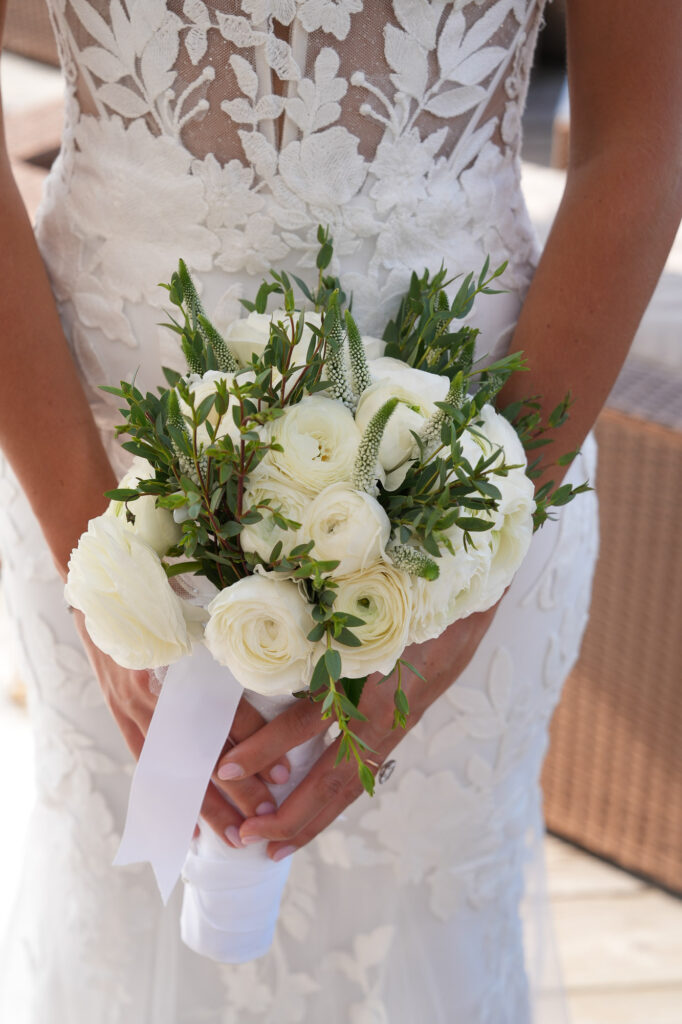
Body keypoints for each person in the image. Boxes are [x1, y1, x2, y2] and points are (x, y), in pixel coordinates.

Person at [0, 1, 679, 1021]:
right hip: (92, 453)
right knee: (122, 906)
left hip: (470, 472)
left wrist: (475, 558)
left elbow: (644, 133)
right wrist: (95, 551)